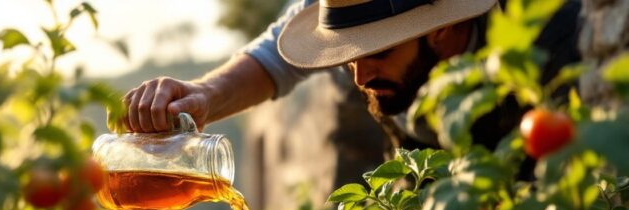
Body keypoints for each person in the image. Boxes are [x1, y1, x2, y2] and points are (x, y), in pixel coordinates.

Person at [122, 0, 581, 155]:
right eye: (345, 57)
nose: (359, 75)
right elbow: (275, 57)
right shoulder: (348, 4)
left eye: (378, 51)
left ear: (441, 29)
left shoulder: (551, 32)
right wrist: (204, 93)